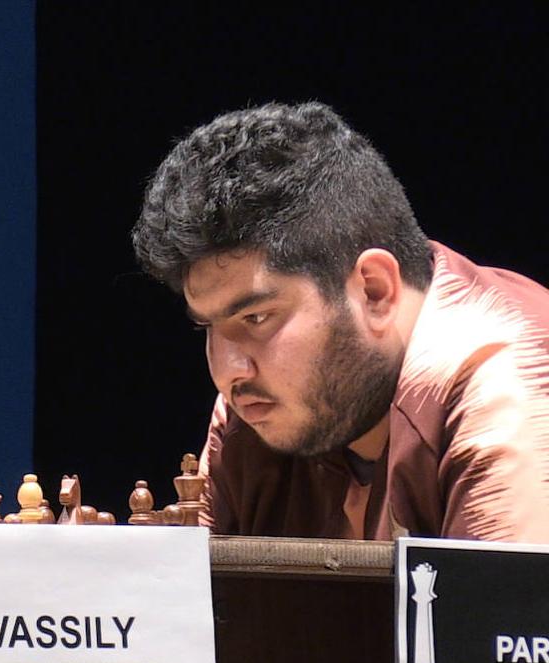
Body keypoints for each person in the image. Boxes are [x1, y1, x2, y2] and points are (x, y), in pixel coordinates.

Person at [132, 101, 549, 543]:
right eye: (207, 328)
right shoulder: (257, 410)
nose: (228, 371)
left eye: (256, 317)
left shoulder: (508, 388)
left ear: (374, 291)